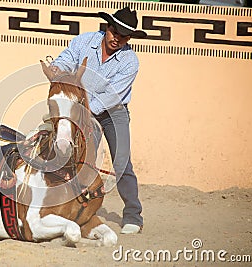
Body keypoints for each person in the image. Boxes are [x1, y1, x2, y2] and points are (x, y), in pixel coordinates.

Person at [50, 7, 147, 234]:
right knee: (77, 157)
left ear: (129, 38)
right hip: (82, 108)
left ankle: (133, 215)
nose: (117, 40)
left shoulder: (130, 61)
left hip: (114, 112)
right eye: (115, 33)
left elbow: (112, 95)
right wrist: (58, 68)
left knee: (122, 162)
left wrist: (83, 113)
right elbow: (67, 58)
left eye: (124, 37)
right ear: (107, 28)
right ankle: (70, 206)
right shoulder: (84, 41)